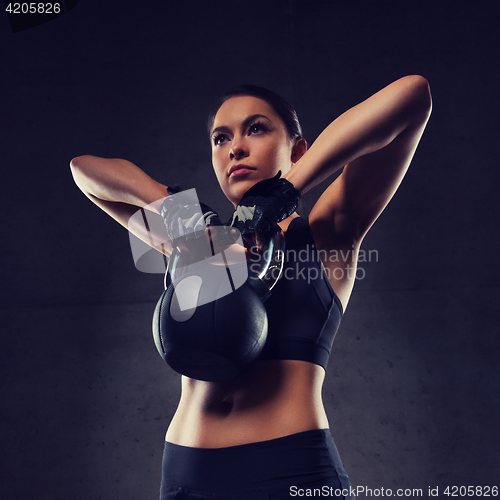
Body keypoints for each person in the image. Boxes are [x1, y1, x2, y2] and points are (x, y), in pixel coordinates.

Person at [70, 75, 432, 499]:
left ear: (297, 149)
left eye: (255, 128)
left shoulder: (328, 232)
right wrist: (178, 212)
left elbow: (412, 95)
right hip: (188, 476)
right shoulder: (194, 246)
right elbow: (85, 171)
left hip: (288, 470)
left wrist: (287, 189)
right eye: (220, 138)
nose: (235, 148)